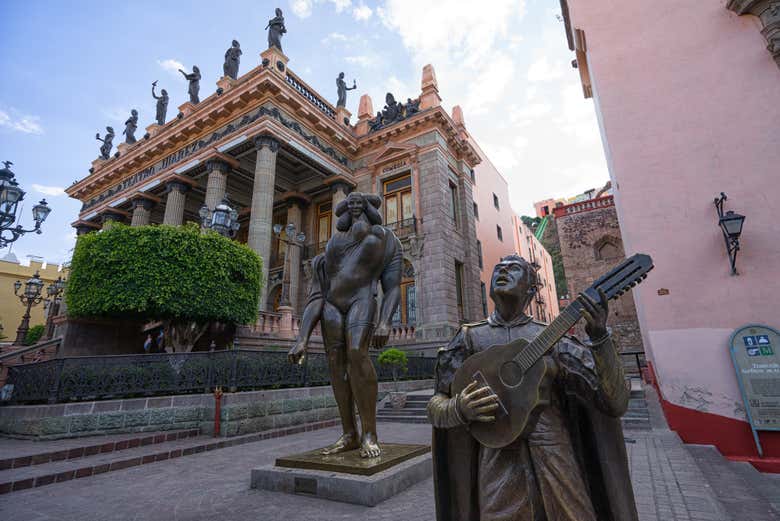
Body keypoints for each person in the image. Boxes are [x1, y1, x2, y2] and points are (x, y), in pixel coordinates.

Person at [427, 254, 638, 521]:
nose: (502, 272)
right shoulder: (470, 338)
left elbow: (614, 402)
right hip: (497, 458)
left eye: (514, 269)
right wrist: (457, 408)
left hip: (554, 453)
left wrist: (599, 337)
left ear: (531, 289)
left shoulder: (555, 338)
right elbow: (436, 405)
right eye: (498, 269)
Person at [288, 192, 402, 458]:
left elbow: (393, 287)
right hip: (331, 306)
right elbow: (317, 294)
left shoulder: (386, 240)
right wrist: (302, 338)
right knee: (335, 364)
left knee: (356, 352)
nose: (357, 210)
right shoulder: (330, 247)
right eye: (352, 206)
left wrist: (385, 322)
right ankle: (349, 433)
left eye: (361, 205)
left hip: (362, 298)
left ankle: (370, 434)